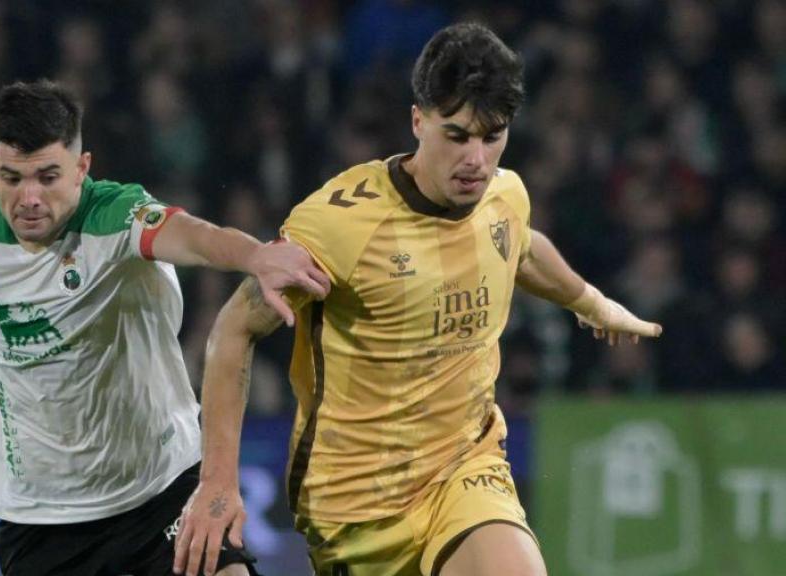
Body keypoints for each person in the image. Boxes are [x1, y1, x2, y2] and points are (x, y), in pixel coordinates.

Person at [174, 23, 662, 576]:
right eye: (456, 136)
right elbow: (235, 328)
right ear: (417, 121)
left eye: (492, 135)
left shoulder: (504, 194)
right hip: (355, 508)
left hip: (465, 468)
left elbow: (520, 248)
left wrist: (590, 302)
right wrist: (217, 483)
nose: (476, 159)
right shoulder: (340, 225)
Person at [0, 79, 329, 576]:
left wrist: (255, 255)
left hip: (159, 488)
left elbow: (192, 236)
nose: (29, 197)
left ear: (82, 169)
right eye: (12, 178)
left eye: (48, 176)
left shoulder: (114, 214)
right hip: (38, 516)